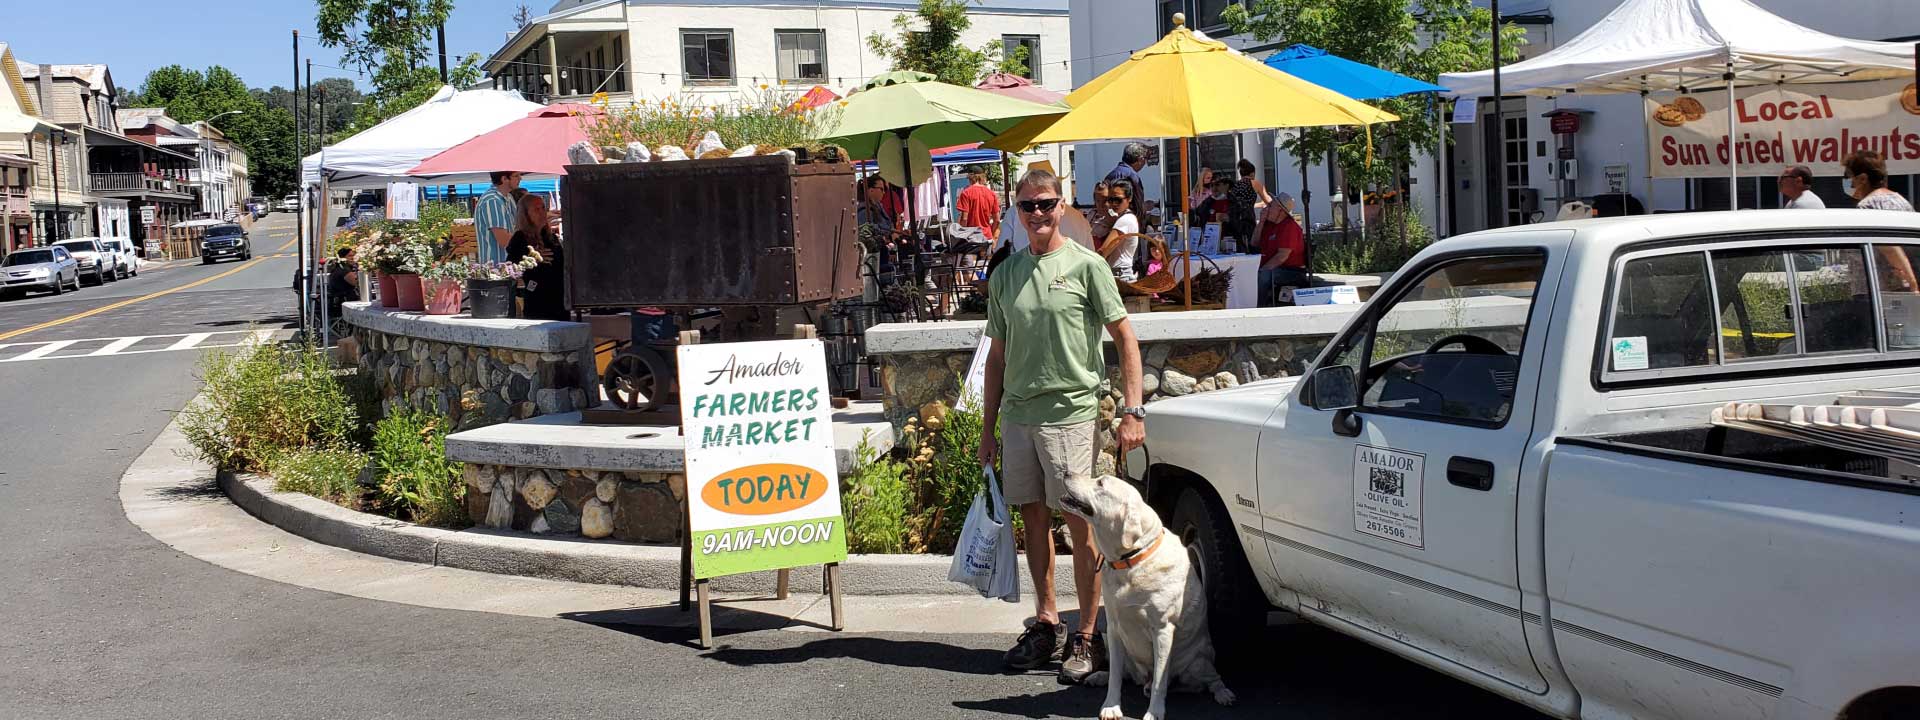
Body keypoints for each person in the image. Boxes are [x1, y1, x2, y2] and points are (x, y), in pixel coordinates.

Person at [980, 168, 1146, 684]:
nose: (1038, 214)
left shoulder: (1087, 266)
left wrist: (1133, 409)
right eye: (1028, 206)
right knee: (1033, 521)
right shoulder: (1006, 274)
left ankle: (1087, 635)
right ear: (1017, 210)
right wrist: (988, 427)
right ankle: (1048, 623)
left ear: (1061, 206)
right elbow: (996, 358)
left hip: (1071, 413)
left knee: (1081, 526)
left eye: (1046, 204)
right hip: (1019, 416)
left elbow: (1125, 338)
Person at [508, 193, 567, 321]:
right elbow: (510, 268)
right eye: (536, 209)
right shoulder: (520, 238)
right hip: (537, 300)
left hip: (559, 300)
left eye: (543, 208)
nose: (542, 212)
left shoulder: (551, 238)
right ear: (526, 214)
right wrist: (532, 259)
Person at [1255, 193, 1307, 305]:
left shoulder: (1289, 226)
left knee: (1263, 275)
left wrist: (1262, 270)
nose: (1266, 207)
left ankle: (1259, 307)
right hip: (1275, 267)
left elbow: (1282, 256)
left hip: (1290, 271)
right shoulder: (1270, 225)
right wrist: (1261, 222)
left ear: (1280, 210)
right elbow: (1254, 243)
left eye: (1270, 205)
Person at [1099, 180, 1143, 282]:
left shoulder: (1125, 220)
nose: (1114, 203)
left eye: (1118, 200)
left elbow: (1104, 250)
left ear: (1129, 199)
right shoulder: (1126, 218)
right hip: (1121, 275)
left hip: (1119, 278)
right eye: (1110, 200)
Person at [474, 171, 521, 264]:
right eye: (516, 176)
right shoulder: (492, 200)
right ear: (504, 179)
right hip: (497, 268)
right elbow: (504, 240)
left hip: (507, 266)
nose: (520, 178)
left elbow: (518, 226)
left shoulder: (507, 197)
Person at [1844, 150, 1913, 212]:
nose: (1851, 184)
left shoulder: (1866, 206)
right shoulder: (1903, 202)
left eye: (1851, 177)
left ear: (1863, 179)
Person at [1225, 159, 1271, 249]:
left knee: (1238, 246)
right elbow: (1268, 201)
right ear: (1252, 173)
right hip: (1247, 218)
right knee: (1250, 243)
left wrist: (1257, 205)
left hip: (1234, 218)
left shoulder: (1235, 185)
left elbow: (1241, 203)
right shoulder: (1255, 183)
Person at [955, 167, 1001, 242]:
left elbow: (964, 219)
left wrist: (961, 235)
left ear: (971, 179)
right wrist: (991, 234)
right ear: (982, 177)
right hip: (987, 237)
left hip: (971, 237)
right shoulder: (991, 194)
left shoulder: (966, 193)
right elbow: (997, 220)